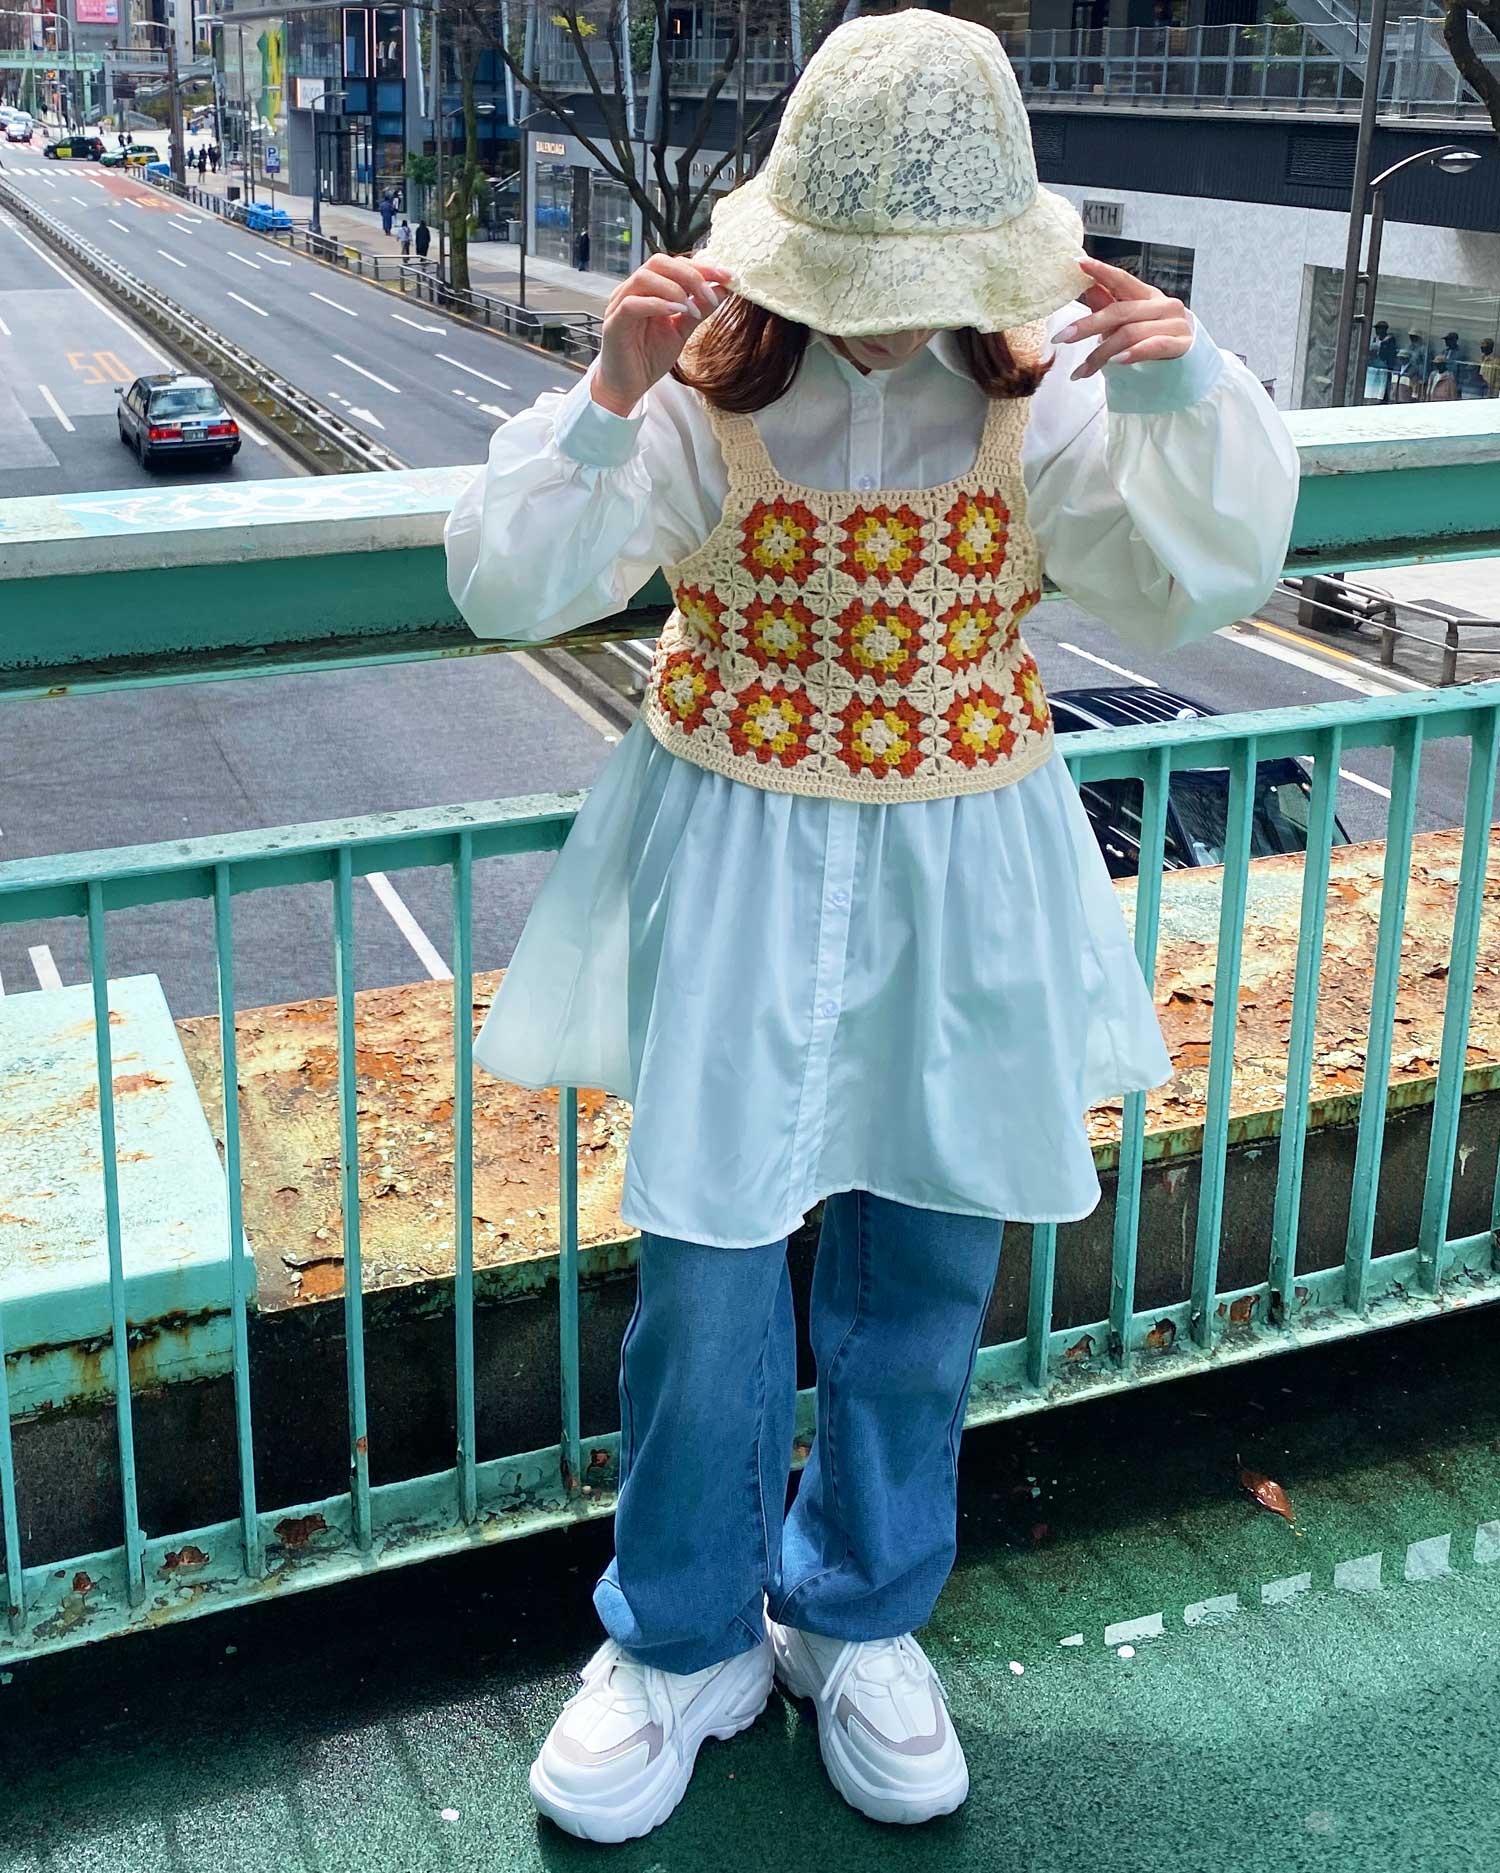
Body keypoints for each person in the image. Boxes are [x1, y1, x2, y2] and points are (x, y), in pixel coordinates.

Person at [446, 9, 1297, 1846]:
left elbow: (1195, 585)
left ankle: (858, 1610)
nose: (898, 319)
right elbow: (509, 582)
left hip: (962, 869)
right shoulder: (697, 394)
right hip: (738, 859)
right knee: (706, 1269)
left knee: (923, 1264)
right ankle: (681, 1636)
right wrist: (605, 393)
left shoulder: (1049, 400)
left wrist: (1184, 394)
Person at [1365, 320, 1399, 403]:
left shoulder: (1390, 341)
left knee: (1381, 390)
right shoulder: (1374, 339)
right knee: (1369, 390)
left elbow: (1390, 356)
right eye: (1376, 328)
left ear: (1385, 329)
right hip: (1372, 368)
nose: (1377, 330)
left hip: (1383, 369)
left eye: (1379, 328)